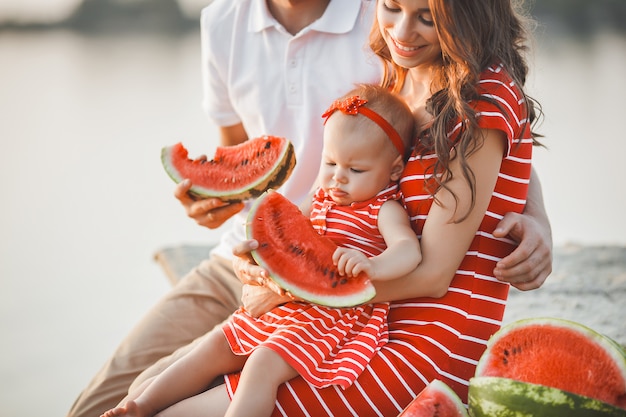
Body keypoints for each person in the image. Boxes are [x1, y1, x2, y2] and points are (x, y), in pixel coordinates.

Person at [66, 1, 551, 416]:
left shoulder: (475, 96)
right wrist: (243, 231)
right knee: (139, 392)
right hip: (338, 294)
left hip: (409, 329)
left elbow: (437, 267)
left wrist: (539, 218)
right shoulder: (402, 77)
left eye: (426, 15)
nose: (402, 30)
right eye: (394, 8)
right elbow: (248, 161)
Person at [99, 84, 422, 417]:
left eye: (355, 170)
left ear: (394, 170)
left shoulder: (384, 209)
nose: (338, 178)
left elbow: (408, 250)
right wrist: (254, 250)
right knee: (215, 346)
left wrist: (373, 265)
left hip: (331, 319)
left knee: (261, 366)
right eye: (329, 163)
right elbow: (282, 228)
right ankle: (141, 406)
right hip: (285, 305)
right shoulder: (322, 199)